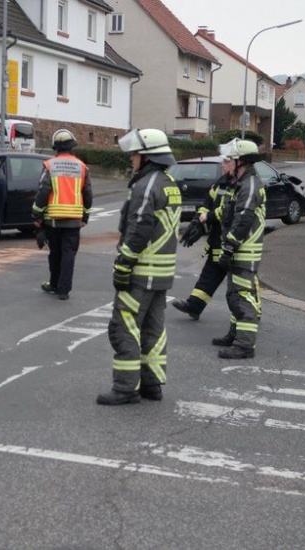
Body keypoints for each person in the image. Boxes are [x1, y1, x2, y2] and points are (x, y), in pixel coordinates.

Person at [97, 128, 181, 405]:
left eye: (135, 153)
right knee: (153, 331)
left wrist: (124, 265)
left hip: (141, 272)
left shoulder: (146, 187)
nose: (132, 158)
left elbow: (139, 228)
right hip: (161, 274)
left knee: (124, 327)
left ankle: (125, 388)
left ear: (147, 157)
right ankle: (152, 385)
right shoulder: (169, 182)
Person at [211, 138, 266, 360]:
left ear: (241, 162)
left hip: (244, 251)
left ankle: (244, 345)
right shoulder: (242, 183)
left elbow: (243, 219)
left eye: (231, 160)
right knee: (234, 295)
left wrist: (229, 247)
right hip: (239, 250)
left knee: (243, 298)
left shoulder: (250, 185)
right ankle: (236, 335)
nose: (227, 164)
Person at [171, 156, 236, 320]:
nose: (223, 165)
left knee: (241, 283)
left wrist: (208, 217)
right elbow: (206, 203)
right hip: (218, 240)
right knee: (209, 274)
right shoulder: (221, 183)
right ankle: (194, 306)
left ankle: (252, 313)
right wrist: (197, 221)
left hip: (234, 243)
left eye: (226, 162)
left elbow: (229, 211)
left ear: (236, 163)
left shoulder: (240, 186)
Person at [32, 129, 92, 300]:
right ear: (72, 147)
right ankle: (63, 291)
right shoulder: (82, 167)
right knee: (68, 255)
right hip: (73, 221)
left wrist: (36, 215)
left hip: (53, 221)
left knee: (55, 254)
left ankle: (54, 283)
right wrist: (85, 217)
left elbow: (42, 192)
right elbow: (87, 195)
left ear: (56, 148)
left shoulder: (50, 166)